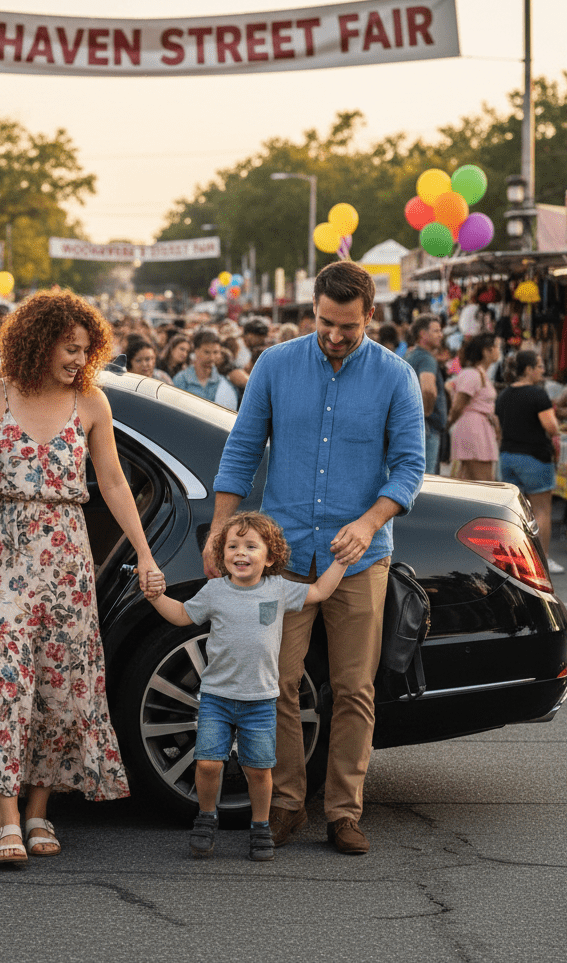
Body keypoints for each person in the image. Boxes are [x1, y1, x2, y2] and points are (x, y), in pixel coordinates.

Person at [0, 290, 162, 866]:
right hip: (0, 552)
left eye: (86, 350)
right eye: (69, 348)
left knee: (58, 684)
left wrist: (145, 554)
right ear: (39, 341)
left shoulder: (92, 403)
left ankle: (37, 808)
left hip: (66, 557)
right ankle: (5, 817)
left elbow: (113, 482)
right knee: (3, 676)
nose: (79, 360)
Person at [202, 261, 425, 855]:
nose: (333, 334)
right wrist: (222, 528)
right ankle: (285, 804)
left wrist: (369, 521)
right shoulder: (275, 365)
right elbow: (243, 448)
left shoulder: (397, 377)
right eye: (325, 321)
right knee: (274, 683)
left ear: (369, 316)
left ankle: (344, 813)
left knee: (354, 689)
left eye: (347, 326)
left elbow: (409, 468)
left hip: (359, 559)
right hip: (283, 556)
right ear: (315, 308)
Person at [146, 511, 346, 862]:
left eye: (251, 546)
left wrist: (341, 562)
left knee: (259, 769)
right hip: (216, 699)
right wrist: (155, 596)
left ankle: (260, 825)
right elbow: (181, 616)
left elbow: (318, 592)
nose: (240, 552)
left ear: (269, 557)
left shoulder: (278, 589)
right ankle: (207, 818)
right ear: (222, 555)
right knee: (208, 763)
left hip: (261, 701)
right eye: (233, 545)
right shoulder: (215, 591)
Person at [495, 350, 564, 575]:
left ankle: (516, 558)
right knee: (542, 510)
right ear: (528, 369)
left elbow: (498, 428)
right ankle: (542, 561)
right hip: (534, 457)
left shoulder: (504, 395)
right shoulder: (537, 394)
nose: (543, 370)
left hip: (508, 456)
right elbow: (551, 427)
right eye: (540, 366)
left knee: (516, 511)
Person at [447, 333, 501, 482]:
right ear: (486, 351)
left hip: (479, 428)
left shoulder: (479, 373)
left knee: (475, 482)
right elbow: (458, 405)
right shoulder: (472, 374)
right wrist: (449, 424)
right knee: (482, 482)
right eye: (496, 347)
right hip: (474, 430)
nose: (499, 351)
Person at [405, 314, 447, 475]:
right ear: (423, 334)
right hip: (427, 429)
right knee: (427, 479)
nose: (440, 335)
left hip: (415, 426)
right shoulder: (426, 358)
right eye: (436, 331)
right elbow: (428, 389)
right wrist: (426, 413)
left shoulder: (412, 354)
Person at [172, 328, 239, 409]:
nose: (212, 358)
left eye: (215, 352)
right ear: (196, 351)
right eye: (207, 352)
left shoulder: (224, 384)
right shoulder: (180, 380)